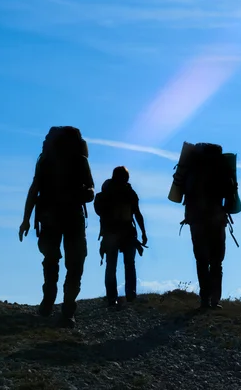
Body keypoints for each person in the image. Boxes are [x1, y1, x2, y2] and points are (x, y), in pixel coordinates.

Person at [19, 126, 95, 328]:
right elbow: (91, 190)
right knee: (74, 263)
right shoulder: (80, 160)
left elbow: (34, 190)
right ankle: (67, 310)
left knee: (51, 260)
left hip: (50, 217)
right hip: (71, 217)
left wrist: (26, 219)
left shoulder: (45, 160)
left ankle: (49, 302)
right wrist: (82, 195)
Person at [179, 143, 237, 309]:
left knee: (201, 260)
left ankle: (205, 299)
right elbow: (230, 193)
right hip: (217, 220)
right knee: (217, 262)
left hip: (197, 221)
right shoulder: (221, 169)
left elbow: (185, 192)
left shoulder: (193, 170)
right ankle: (214, 300)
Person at [94, 166, 148, 308]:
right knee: (129, 264)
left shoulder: (107, 192)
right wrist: (143, 232)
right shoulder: (129, 192)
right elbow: (137, 213)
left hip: (111, 232)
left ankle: (112, 297)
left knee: (111, 265)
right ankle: (130, 294)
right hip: (127, 232)